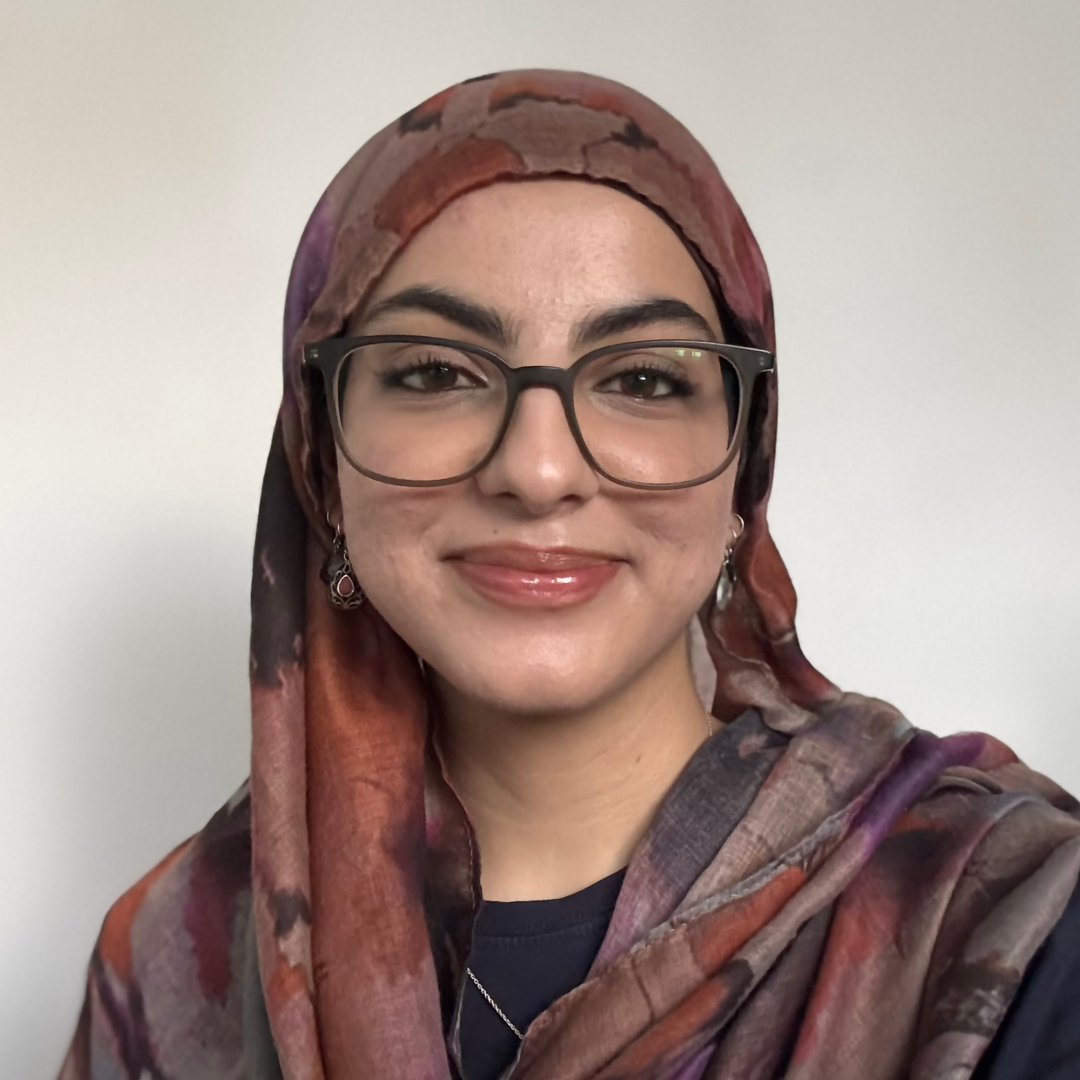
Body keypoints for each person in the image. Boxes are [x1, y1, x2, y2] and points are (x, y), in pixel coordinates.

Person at [58, 70, 1080, 1080]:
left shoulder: (1008, 922)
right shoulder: (167, 971)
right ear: (322, 466)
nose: (538, 473)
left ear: (743, 471)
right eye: (435, 373)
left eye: (643, 379)